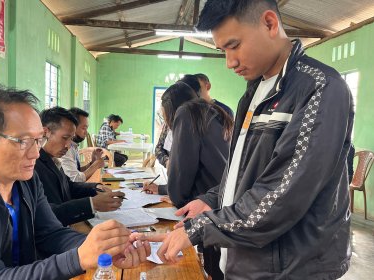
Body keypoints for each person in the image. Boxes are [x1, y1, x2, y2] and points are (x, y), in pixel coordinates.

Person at [142, 1, 354, 279]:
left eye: (234, 45)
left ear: (269, 23)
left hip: (292, 267)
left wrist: (201, 228)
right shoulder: (253, 92)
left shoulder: (319, 87)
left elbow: (283, 195)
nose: (230, 62)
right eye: (223, 51)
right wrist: (212, 199)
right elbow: (245, 171)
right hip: (249, 260)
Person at [0, 84, 150, 279]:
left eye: (38, 139)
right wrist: (78, 258)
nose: (35, 153)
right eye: (22, 141)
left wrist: (105, 249)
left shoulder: (26, 183)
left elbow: (50, 234)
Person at [143, 81, 233, 279]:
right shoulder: (214, 111)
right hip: (224, 202)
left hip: (206, 208)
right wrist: (162, 190)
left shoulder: (186, 113)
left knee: (210, 268)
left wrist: (174, 194)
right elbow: (198, 165)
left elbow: (181, 176)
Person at [36, 107, 125, 226]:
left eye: (71, 139)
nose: (68, 146)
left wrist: (96, 188)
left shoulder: (51, 159)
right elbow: (45, 215)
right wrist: (91, 204)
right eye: (65, 138)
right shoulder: (34, 165)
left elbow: (69, 186)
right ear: (45, 132)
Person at [60, 107, 105, 182]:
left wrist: (92, 163)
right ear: (72, 126)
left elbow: (76, 171)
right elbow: (75, 180)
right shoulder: (64, 148)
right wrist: (95, 165)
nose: (86, 132)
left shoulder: (74, 145)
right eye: (84, 128)